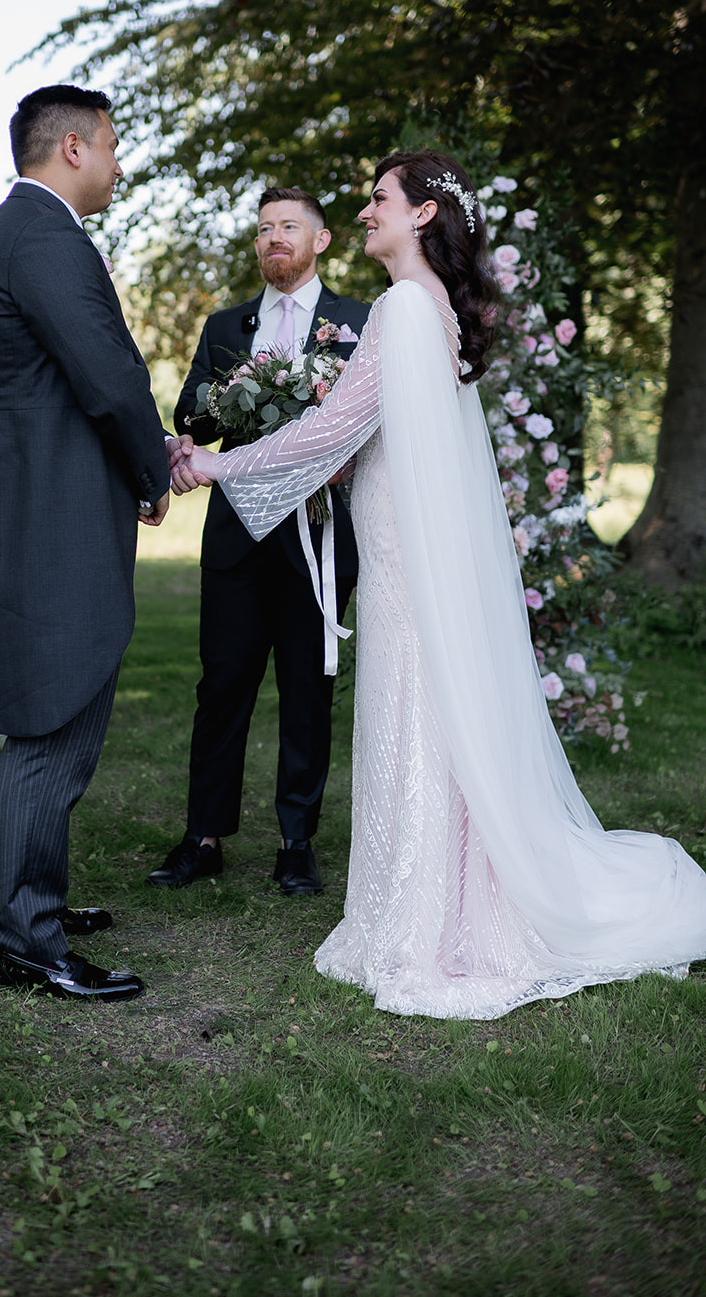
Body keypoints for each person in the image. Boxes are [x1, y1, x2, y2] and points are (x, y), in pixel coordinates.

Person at [176, 150, 706, 1018]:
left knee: (414, 708)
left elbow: (331, 428)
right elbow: (382, 436)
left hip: (402, 552)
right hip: (406, 542)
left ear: (423, 214)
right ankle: (448, 894)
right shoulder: (431, 310)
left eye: (378, 199)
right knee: (426, 708)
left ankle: (426, 918)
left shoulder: (400, 308)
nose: (364, 214)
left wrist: (215, 465)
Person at [0, 85, 172, 1002]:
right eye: (113, 147)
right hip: (52, 519)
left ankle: (17, 898)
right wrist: (152, 469)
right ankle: (26, 939)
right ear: (74, 148)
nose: (120, 167)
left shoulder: (21, 231)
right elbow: (108, 375)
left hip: (40, 509)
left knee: (54, 716)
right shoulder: (44, 237)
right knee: (53, 720)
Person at [148, 189, 370, 896]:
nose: (274, 237)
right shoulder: (225, 325)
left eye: (288, 227)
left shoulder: (359, 323)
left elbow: (377, 420)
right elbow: (191, 415)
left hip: (320, 531)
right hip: (237, 536)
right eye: (264, 228)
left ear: (320, 241)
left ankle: (295, 842)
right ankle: (203, 837)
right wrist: (231, 394)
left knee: (307, 689)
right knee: (222, 686)